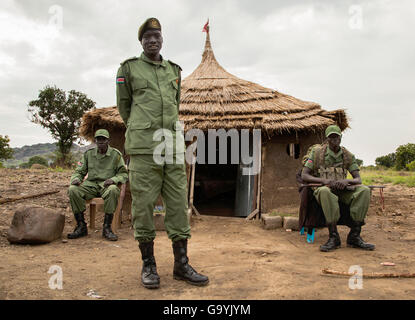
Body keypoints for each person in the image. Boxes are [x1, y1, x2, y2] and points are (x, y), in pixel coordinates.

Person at [116, 17, 208, 289]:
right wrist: (140, 129)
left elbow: (175, 104)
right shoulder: (128, 69)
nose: (152, 41)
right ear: (141, 42)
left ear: (162, 39)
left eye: (156, 36)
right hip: (144, 149)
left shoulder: (174, 71)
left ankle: (181, 265)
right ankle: (149, 266)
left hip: (172, 148)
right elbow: (124, 107)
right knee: (143, 207)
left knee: (178, 205)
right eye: (147, 38)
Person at [301, 125, 375, 252]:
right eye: (332, 137)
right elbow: (304, 175)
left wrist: (346, 181)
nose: (335, 140)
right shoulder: (317, 153)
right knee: (324, 192)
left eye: (337, 137)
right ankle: (333, 237)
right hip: (325, 188)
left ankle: (354, 236)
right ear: (327, 139)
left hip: (343, 190)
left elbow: (358, 179)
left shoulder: (347, 155)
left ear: (341, 137)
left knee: (364, 191)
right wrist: (323, 181)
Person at [67, 129, 128, 241]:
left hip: (106, 186)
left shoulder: (116, 155)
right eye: (98, 139)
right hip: (91, 186)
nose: (101, 142)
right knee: (73, 189)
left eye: (103, 139)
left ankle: (107, 228)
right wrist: (76, 179)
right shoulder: (88, 154)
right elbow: (79, 171)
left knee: (113, 190)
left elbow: (123, 174)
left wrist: (114, 179)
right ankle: (81, 226)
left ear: (108, 141)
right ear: (95, 141)